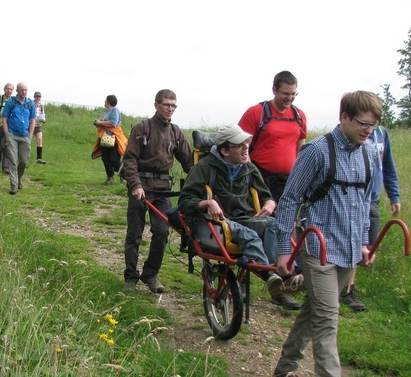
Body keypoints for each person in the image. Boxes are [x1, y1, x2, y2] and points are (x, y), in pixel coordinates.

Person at [271, 90, 381, 377]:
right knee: (327, 318)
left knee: (315, 308)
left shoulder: (367, 155)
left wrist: (364, 244)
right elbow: (289, 200)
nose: (369, 130)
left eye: (374, 125)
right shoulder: (317, 152)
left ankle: (284, 368)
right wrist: (283, 249)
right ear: (344, 117)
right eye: (363, 123)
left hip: (348, 250)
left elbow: (364, 203)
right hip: (317, 246)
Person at [178, 124, 304, 294]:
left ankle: (284, 273)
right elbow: (184, 201)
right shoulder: (204, 167)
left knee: (276, 225)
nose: (246, 147)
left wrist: (270, 203)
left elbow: (265, 195)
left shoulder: (249, 168)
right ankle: (269, 276)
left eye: (246, 142)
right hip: (220, 222)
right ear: (225, 151)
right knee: (249, 235)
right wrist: (207, 203)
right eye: (239, 144)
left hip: (246, 218)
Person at [238, 70, 308, 310]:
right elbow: (240, 146)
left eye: (293, 94)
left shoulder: (299, 116)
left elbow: (300, 147)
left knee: (288, 229)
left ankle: (283, 282)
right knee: (256, 228)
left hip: (289, 181)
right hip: (259, 179)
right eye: (285, 94)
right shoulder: (257, 113)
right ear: (274, 90)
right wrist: (250, 177)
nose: (289, 98)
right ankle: (244, 283)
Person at [121, 89, 193, 293]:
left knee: (162, 232)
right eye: (166, 104)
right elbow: (130, 159)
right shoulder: (142, 128)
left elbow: (189, 162)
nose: (170, 108)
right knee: (134, 233)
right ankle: (130, 277)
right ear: (156, 105)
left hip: (163, 190)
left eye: (173, 105)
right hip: (141, 187)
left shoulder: (176, 133)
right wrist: (135, 185)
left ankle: (150, 274)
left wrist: (200, 182)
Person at [340, 124, 401, 311]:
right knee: (352, 241)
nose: (369, 125)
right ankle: (345, 290)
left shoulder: (382, 133)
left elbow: (388, 164)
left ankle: (347, 288)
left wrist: (394, 195)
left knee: (365, 246)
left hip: (372, 197)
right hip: (351, 195)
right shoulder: (351, 132)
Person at [2, 82, 35, 195]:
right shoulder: (11, 102)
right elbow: (4, 118)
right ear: (17, 91)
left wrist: (30, 135)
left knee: (24, 161)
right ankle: (13, 186)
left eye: (25, 90)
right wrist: (7, 134)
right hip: (12, 135)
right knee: (12, 161)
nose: (24, 92)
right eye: (21, 90)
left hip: (25, 136)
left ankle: (19, 178)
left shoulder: (30, 104)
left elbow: (32, 121)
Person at [91, 95, 128, 185]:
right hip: (104, 138)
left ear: (108, 101)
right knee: (105, 158)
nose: (104, 102)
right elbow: (102, 122)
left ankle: (124, 176)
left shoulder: (115, 110)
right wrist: (97, 123)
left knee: (114, 159)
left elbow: (113, 123)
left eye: (105, 100)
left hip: (114, 138)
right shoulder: (106, 112)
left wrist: (101, 122)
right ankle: (110, 178)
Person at [33, 92, 47, 164]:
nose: (38, 98)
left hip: (38, 125)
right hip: (31, 125)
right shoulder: (31, 104)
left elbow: (42, 115)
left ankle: (39, 158)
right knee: (27, 141)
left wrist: (43, 119)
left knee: (39, 140)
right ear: (34, 97)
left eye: (39, 97)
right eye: (37, 97)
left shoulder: (41, 106)